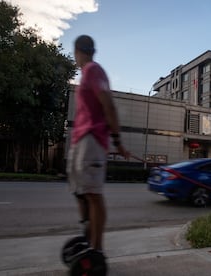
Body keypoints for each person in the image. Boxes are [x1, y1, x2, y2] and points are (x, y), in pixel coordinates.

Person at [67, 35, 130, 255]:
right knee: (79, 191)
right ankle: (87, 235)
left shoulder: (94, 70)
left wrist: (117, 141)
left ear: (78, 51)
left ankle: (97, 250)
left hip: (92, 140)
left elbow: (108, 105)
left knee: (93, 194)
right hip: (80, 140)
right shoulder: (85, 74)